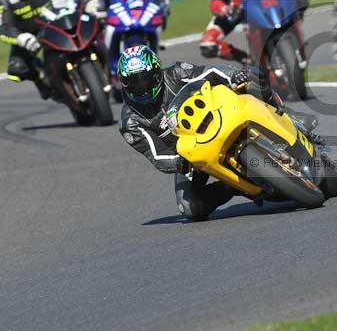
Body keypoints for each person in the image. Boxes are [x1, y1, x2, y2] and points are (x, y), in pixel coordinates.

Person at [116, 45, 320, 220]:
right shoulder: (130, 123)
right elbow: (156, 155)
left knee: (250, 80)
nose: (141, 87)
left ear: (156, 73)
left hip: (217, 113)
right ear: (123, 84)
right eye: (133, 82)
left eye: (144, 79)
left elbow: (209, 72)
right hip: (191, 154)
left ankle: (289, 117)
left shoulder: (176, 72)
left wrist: (233, 75)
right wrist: (178, 162)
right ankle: (232, 186)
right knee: (189, 207)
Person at [0, 0, 90, 99]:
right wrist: (22, 38)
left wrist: (85, 2)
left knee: (89, 30)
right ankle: (41, 80)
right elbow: (4, 27)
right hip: (29, 36)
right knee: (17, 68)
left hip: (54, 25)